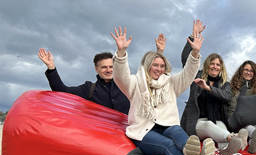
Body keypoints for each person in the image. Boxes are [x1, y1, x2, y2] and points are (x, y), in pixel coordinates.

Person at [110, 24, 215, 155]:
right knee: (168, 144)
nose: (159, 69)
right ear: (147, 66)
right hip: (144, 131)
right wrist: (121, 53)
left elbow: (188, 74)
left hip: (167, 126)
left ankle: (190, 153)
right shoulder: (135, 83)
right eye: (155, 65)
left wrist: (195, 52)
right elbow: (120, 76)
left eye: (162, 66)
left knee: (177, 131)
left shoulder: (170, 82)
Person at [37, 37, 168, 114]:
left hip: (128, 138)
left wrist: (159, 52)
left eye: (111, 67)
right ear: (96, 69)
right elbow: (62, 91)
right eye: (104, 67)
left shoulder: (127, 84)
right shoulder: (89, 89)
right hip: (100, 143)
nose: (108, 70)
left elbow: (150, 78)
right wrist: (51, 67)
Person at [180, 22, 243, 155]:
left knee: (222, 133)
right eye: (212, 64)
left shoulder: (225, 84)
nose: (215, 67)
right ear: (207, 64)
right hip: (197, 122)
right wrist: (193, 35)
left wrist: (208, 88)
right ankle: (237, 138)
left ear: (221, 67)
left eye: (218, 64)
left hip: (217, 121)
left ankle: (225, 151)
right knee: (210, 126)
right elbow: (186, 60)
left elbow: (226, 96)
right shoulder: (197, 76)